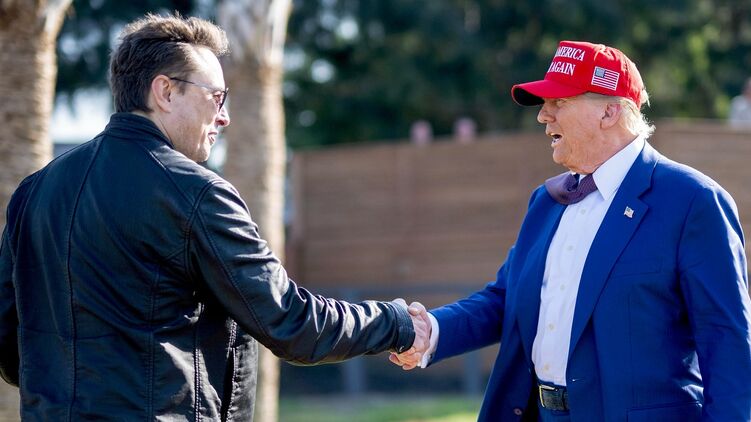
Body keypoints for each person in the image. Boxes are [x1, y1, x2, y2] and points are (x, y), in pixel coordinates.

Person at [0, 14, 428, 420]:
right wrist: (394, 323)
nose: (224, 116)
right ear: (165, 92)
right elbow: (291, 324)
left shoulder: (33, 192)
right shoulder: (197, 193)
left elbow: (9, 346)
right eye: (216, 97)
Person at [391, 40, 751, 421]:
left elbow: (727, 343)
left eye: (559, 102)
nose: (543, 116)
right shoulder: (546, 202)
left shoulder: (693, 201)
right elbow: (504, 300)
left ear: (609, 111)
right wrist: (431, 330)